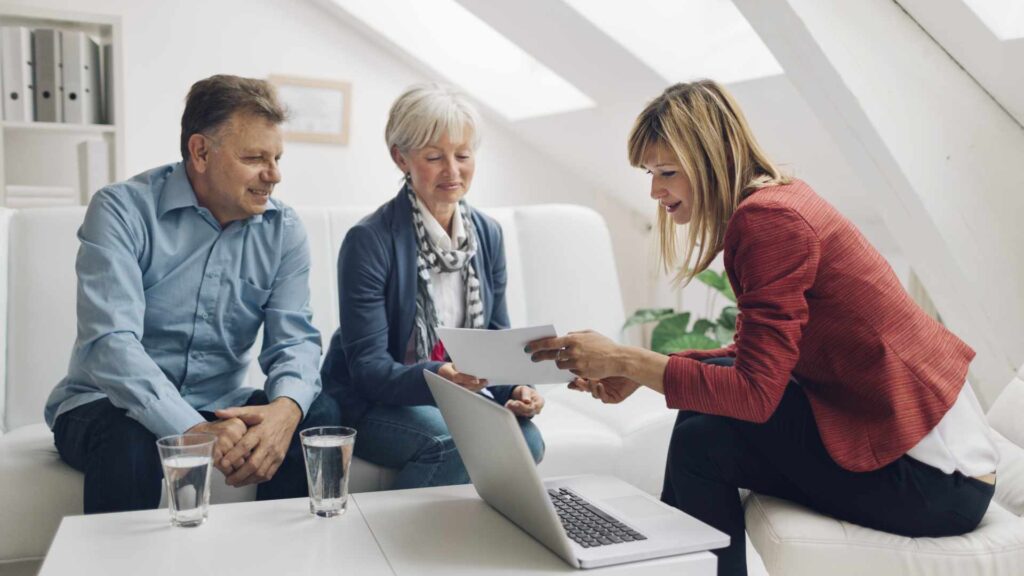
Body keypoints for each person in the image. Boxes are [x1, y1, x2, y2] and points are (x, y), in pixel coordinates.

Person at [526, 80, 998, 576]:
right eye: (650, 173)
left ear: (710, 160)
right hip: (919, 448)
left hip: (936, 481)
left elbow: (754, 393)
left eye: (667, 172)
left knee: (701, 443)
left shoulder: (768, 222)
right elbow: (757, 358)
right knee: (699, 417)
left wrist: (627, 360)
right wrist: (642, 372)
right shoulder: (781, 199)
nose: (654, 190)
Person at [45, 74, 340, 514]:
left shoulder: (285, 230)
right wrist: (190, 428)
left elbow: (294, 341)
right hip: (104, 404)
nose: (274, 175)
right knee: (135, 439)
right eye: (254, 157)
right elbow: (111, 345)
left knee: (319, 417)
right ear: (200, 152)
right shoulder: (121, 210)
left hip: (218, 403)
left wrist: (285, 409)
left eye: (277, 157)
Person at [320, 83, 545, 489]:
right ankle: (392, 541)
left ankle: (459, 536)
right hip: (374, 401)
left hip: (454, 394)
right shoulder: (369, 240)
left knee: (527, 440)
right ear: (400, 158)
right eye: (433, 157)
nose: (453, 171)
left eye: (462, 155)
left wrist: (519, 387)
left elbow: (495, 337)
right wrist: (440, 375)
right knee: (456, 443)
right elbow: (368, 369)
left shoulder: (487, 235)